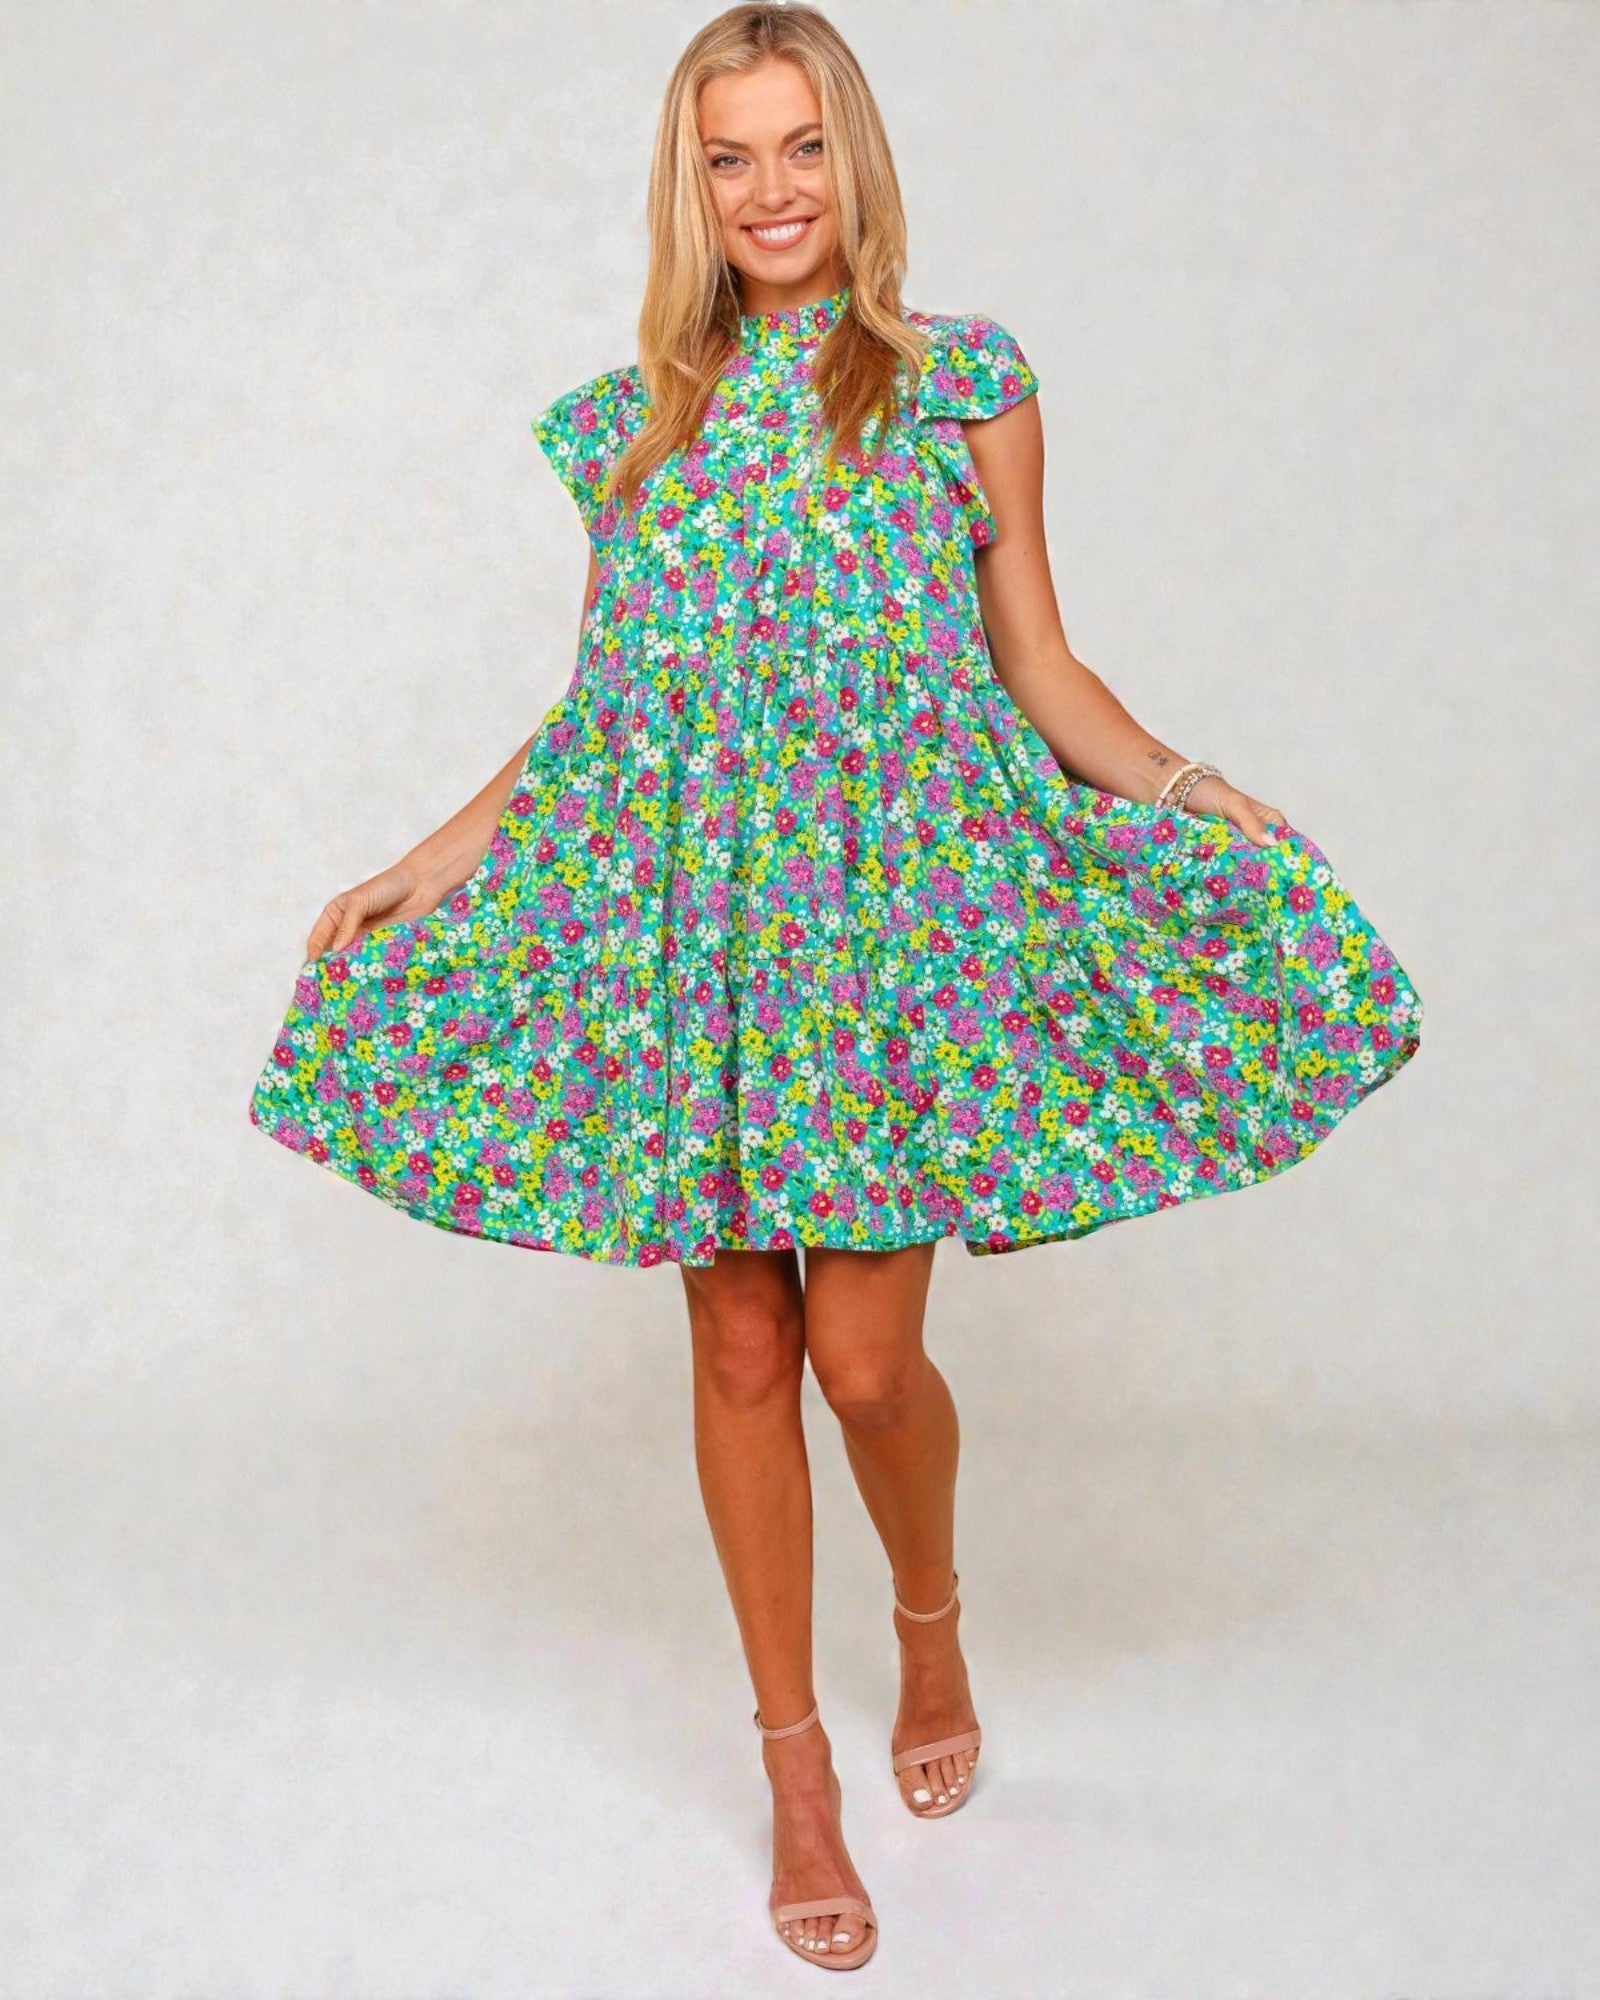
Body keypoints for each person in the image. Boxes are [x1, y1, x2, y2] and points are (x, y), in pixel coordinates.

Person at [247, 1, 1423, 1973]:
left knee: (866, 1366)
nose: (769, 190)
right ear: (685, 184)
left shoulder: (963, 386)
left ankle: (930, 1614)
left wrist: (1201, 788)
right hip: (693, 940)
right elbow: (607, 717)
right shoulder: (632, 427)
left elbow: (1037, 663)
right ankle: (794, 1764)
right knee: (734, 1354)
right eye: (730, 157)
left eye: (800, 148)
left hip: (903, 940)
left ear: (851, 162)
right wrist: (423, 861)